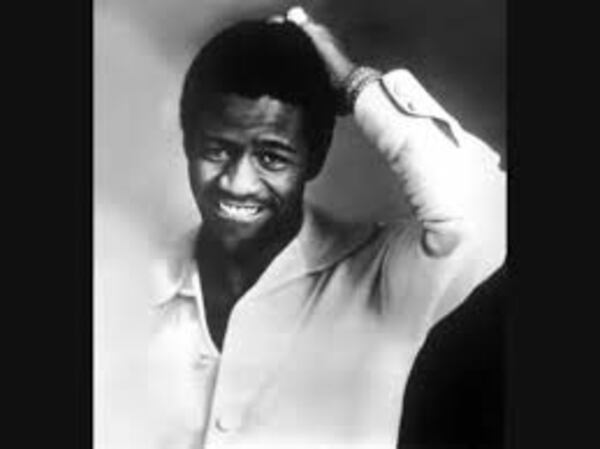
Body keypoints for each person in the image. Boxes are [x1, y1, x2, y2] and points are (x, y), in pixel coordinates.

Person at [148, 7, 506, 449]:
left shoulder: (383, 280)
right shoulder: (126, 288)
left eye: (272, 157)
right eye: (217, 151)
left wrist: (357, 85)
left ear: (314, 158)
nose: (237, 183)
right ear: (188, 145)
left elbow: (491, 212)